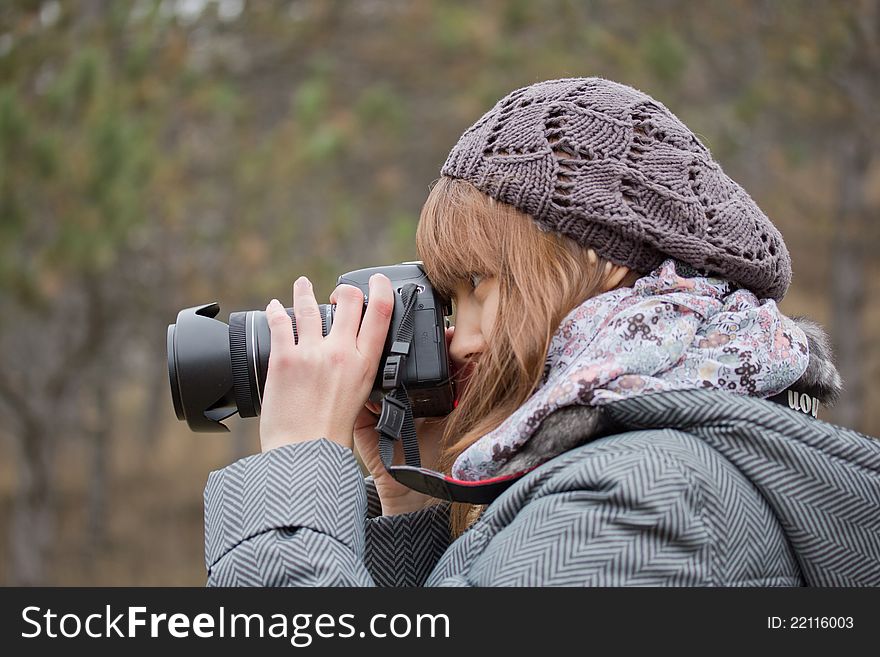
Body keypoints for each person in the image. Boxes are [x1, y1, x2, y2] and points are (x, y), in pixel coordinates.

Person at [204, 77, 880, 586]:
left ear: (605, 258)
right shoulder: (646, 470)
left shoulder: (647, 494)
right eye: (447, 298)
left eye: (476, 285)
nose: (462, 339)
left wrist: (292, 478)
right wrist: (411, 502)